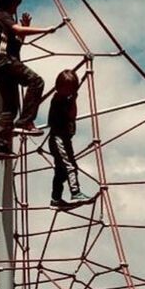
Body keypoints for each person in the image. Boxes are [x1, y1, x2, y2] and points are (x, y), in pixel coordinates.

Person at [0, 0, 56, 142]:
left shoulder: (4, 22)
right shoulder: (2, 16)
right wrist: (45, 30)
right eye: (15, 5)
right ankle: (26, 122)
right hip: (4, 62)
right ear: (11, 4)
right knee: (36, 81)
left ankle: (1, 139)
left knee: (11, 106)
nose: (15, 9)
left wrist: (25, 28)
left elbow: (16, 44)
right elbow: (17, 30)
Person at [48, 69, 91, 208]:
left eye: (71, 89)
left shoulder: (65, 100)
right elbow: (71, 115)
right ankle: (75, 192)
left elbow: (73, 116)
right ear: (59, 87)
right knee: (70, 166)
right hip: (58, 139)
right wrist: (72, 100)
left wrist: (73, 98)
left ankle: (56, 199)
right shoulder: (58, 100)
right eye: (67, 89)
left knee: (60, 172)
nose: (69, 91)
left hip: (64, 139)